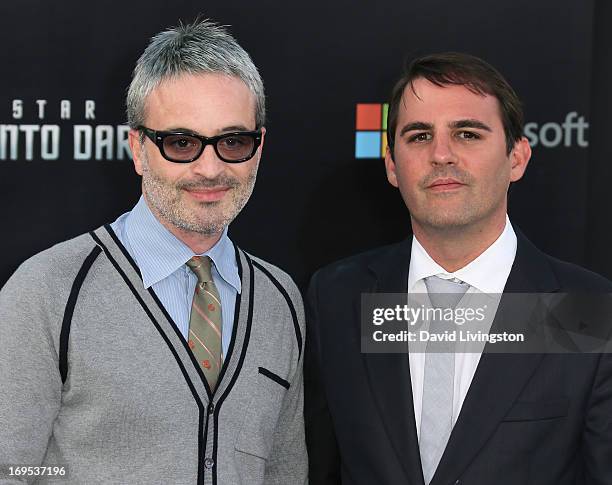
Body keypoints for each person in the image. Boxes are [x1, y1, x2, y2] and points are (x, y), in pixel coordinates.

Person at [0, 19, 307, 485]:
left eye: (232, 142)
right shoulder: (47, 290)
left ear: (258, 148)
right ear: (139, 149)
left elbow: (286, 473)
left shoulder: (279, 298)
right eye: (181, 143)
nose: (210, 168)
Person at [305, 52, 612, 485]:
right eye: (418, 136)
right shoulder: (337, 297)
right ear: (392, 164)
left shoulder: (585, 309)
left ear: (517, 158)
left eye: (467, 134)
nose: (441, 155)